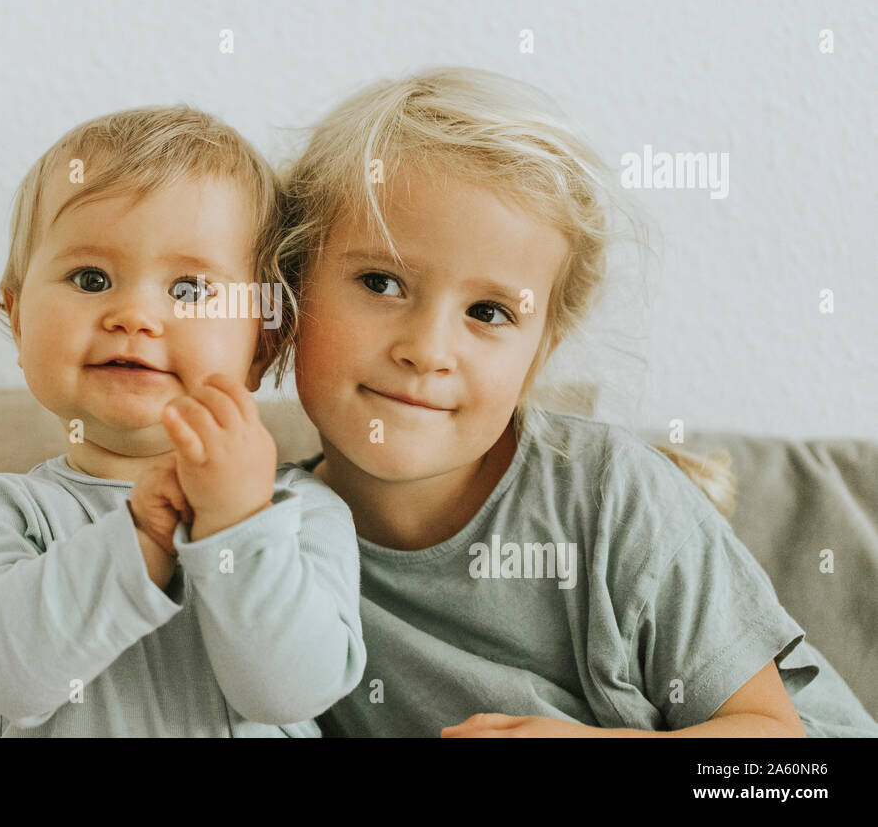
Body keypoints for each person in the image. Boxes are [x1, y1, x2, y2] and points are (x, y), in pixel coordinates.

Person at [269, 67, 878, 737]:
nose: (427, 348)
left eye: (488, 312)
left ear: (540, 355)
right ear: (291, 290)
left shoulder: (608, 496)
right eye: (380, 282)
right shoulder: (258, 536)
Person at [0, 106, 365, 736]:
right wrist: (142, 538)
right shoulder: (1, 511)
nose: (133, 314)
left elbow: (289, 692)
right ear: (18, 318)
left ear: (264, 342)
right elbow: (0, 678)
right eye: (91, 277)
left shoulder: (301, 513)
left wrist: (240, 525)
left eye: (188, 290)